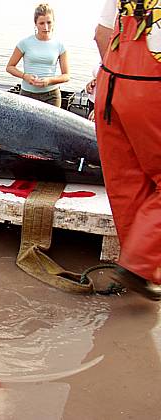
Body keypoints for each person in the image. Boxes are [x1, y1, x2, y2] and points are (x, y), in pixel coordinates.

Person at [94, 0, 161, 301]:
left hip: (110, 81)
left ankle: (135, 267)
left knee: (126, 182)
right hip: (151, 86)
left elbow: (101, 34)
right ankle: (140, 266)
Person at [6, 3, 69, 107]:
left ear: (54, 22)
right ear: (35, 24)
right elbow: (9, 67)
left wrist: (49, 80)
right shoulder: (25, 43)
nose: (46, 27)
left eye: (49, 22)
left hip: (52, 95)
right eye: (41, 23)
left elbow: (66, 76)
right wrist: (24, 76)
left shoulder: (60, 45)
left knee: (51, 124)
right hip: (27, 94)